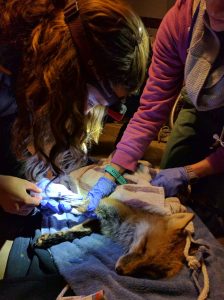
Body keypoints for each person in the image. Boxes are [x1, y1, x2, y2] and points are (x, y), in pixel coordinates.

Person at [0, 0, 149, 222]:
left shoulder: (40, 71)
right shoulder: (5, 75)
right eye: (91, 100)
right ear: (67, 73)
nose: (90, 110)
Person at [87, 0, 224, 226]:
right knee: (165, 185)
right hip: (197, 101)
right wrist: (114, 167)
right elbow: (152, 107)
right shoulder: (179, 22)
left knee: (213, 205)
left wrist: (192, 172)